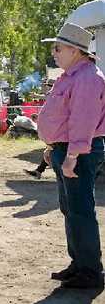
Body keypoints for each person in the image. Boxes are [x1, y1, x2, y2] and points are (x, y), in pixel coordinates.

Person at [38, 23, 105, 289]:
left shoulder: (87, 77)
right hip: (64, 149)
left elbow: (82, 122)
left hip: (78, 152)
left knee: (80, 210)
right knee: (71, 209)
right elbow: (64, 119)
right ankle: (79, 264)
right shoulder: (72, 75)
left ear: (75, 51)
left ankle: (90, 271)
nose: (54, 53)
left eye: (58, 48)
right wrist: (53, 147)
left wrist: (72, 155)